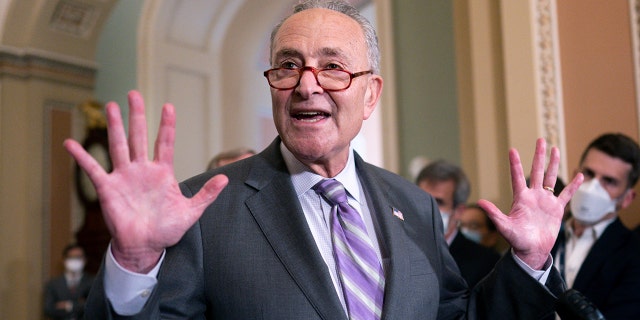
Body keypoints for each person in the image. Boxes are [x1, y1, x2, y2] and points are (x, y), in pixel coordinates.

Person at [64, 1, 582, 318]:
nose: (307, 85)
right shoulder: (206, 209)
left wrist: (528, 264)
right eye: (288, 66)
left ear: (371, 93)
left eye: (333, 67)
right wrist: (134, 265)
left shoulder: (415, 206)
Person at [551, 133, 640, 319]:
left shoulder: (634, 253)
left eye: (609, 181)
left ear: (627, 198)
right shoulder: (546, 237)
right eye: (589, 174)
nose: (592, 187)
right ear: (576, 175)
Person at [416, 160, 500, 287]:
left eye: (438, 202)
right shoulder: (398, 251)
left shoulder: (486, 263)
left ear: (458, 212)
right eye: (421, 198)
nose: (427, 207)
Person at [43, 244, 94, 320]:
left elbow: (94, 306)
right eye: (71, 257)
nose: (75, 260)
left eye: (78, 257)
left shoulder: (93, 282)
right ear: (64, 260)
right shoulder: (53, 284)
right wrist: (80, 304)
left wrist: (69, 306)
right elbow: (48, 309)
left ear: (85, 260)